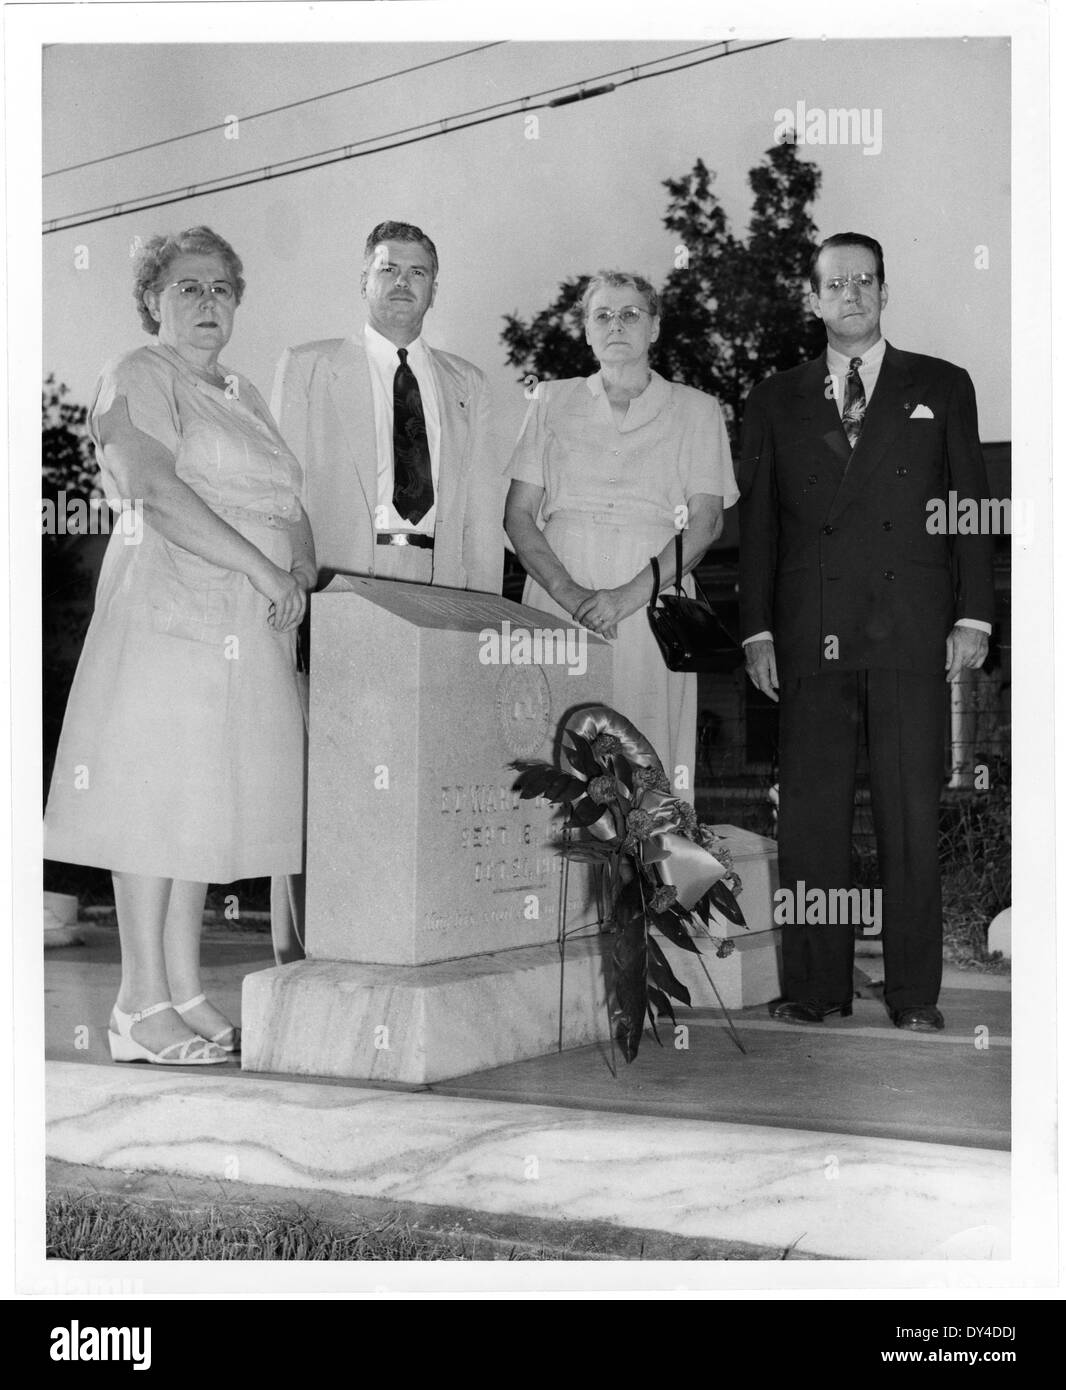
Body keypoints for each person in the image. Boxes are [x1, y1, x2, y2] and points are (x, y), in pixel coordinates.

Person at [44, 226, 315, 1064]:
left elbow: (286, 499)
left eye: (221, 289)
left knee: (206, 801)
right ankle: (136, 1004)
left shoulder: (241, 390)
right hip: (170, 606)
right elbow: (156, 493)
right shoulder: (137, 373)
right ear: (152, 301)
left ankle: (187, 990)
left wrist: (297, 569)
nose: (208, 303)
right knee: (155, 801)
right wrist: (266, 574)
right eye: (187, 287)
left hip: (249, 621)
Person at [739, 232, 994, 1032]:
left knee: (910, 812)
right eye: (834, 283)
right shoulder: (774, 398)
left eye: (865, 281)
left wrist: (975, 613)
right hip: (810, 633)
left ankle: (914, 994)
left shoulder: (942, 385)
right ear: (812, 299)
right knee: (810, 817)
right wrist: (756, 633)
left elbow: (969, 510)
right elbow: (759, 533)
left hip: (911, 631)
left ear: (884, 293)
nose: (850, 294)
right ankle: (816, 987)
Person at [270, 219, 504, 959]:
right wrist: (299, 596)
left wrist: (482, 624)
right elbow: (283, 493)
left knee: (421, 771)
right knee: (324, 777)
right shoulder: (307, 366)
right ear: (363, 280)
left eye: (419, 271)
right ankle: (305, 955)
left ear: (436, 286)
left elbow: (477, 514)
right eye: (388, 268)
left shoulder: (466, 382)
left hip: (434, 586)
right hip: (341, 583)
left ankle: (399, 944)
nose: (402, 281)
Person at [505, 270, 738, 794]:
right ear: (586, 330)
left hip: (652, 597)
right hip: (559, 595)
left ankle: (652, 875)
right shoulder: (548, 401)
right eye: (602, 315)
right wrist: (572, 596)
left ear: (654, 327)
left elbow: (706, 522)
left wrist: (625, 598)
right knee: (555, 752)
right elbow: (519, 515)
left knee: (646, 756)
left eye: (631, 314)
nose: (617, 325)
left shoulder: (698, 409)